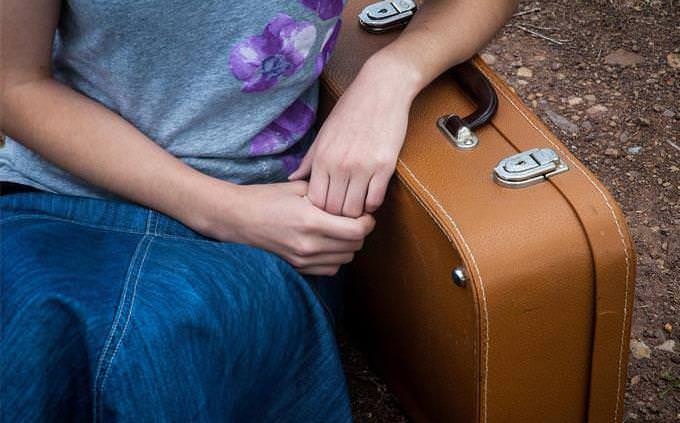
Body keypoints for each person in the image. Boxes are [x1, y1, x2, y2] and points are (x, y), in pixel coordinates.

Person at [0, 0, 517, 421]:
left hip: (268, 221)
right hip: (58, 200)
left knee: (161, 351)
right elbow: (14, 82)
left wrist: (391, 75)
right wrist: (220, 209)